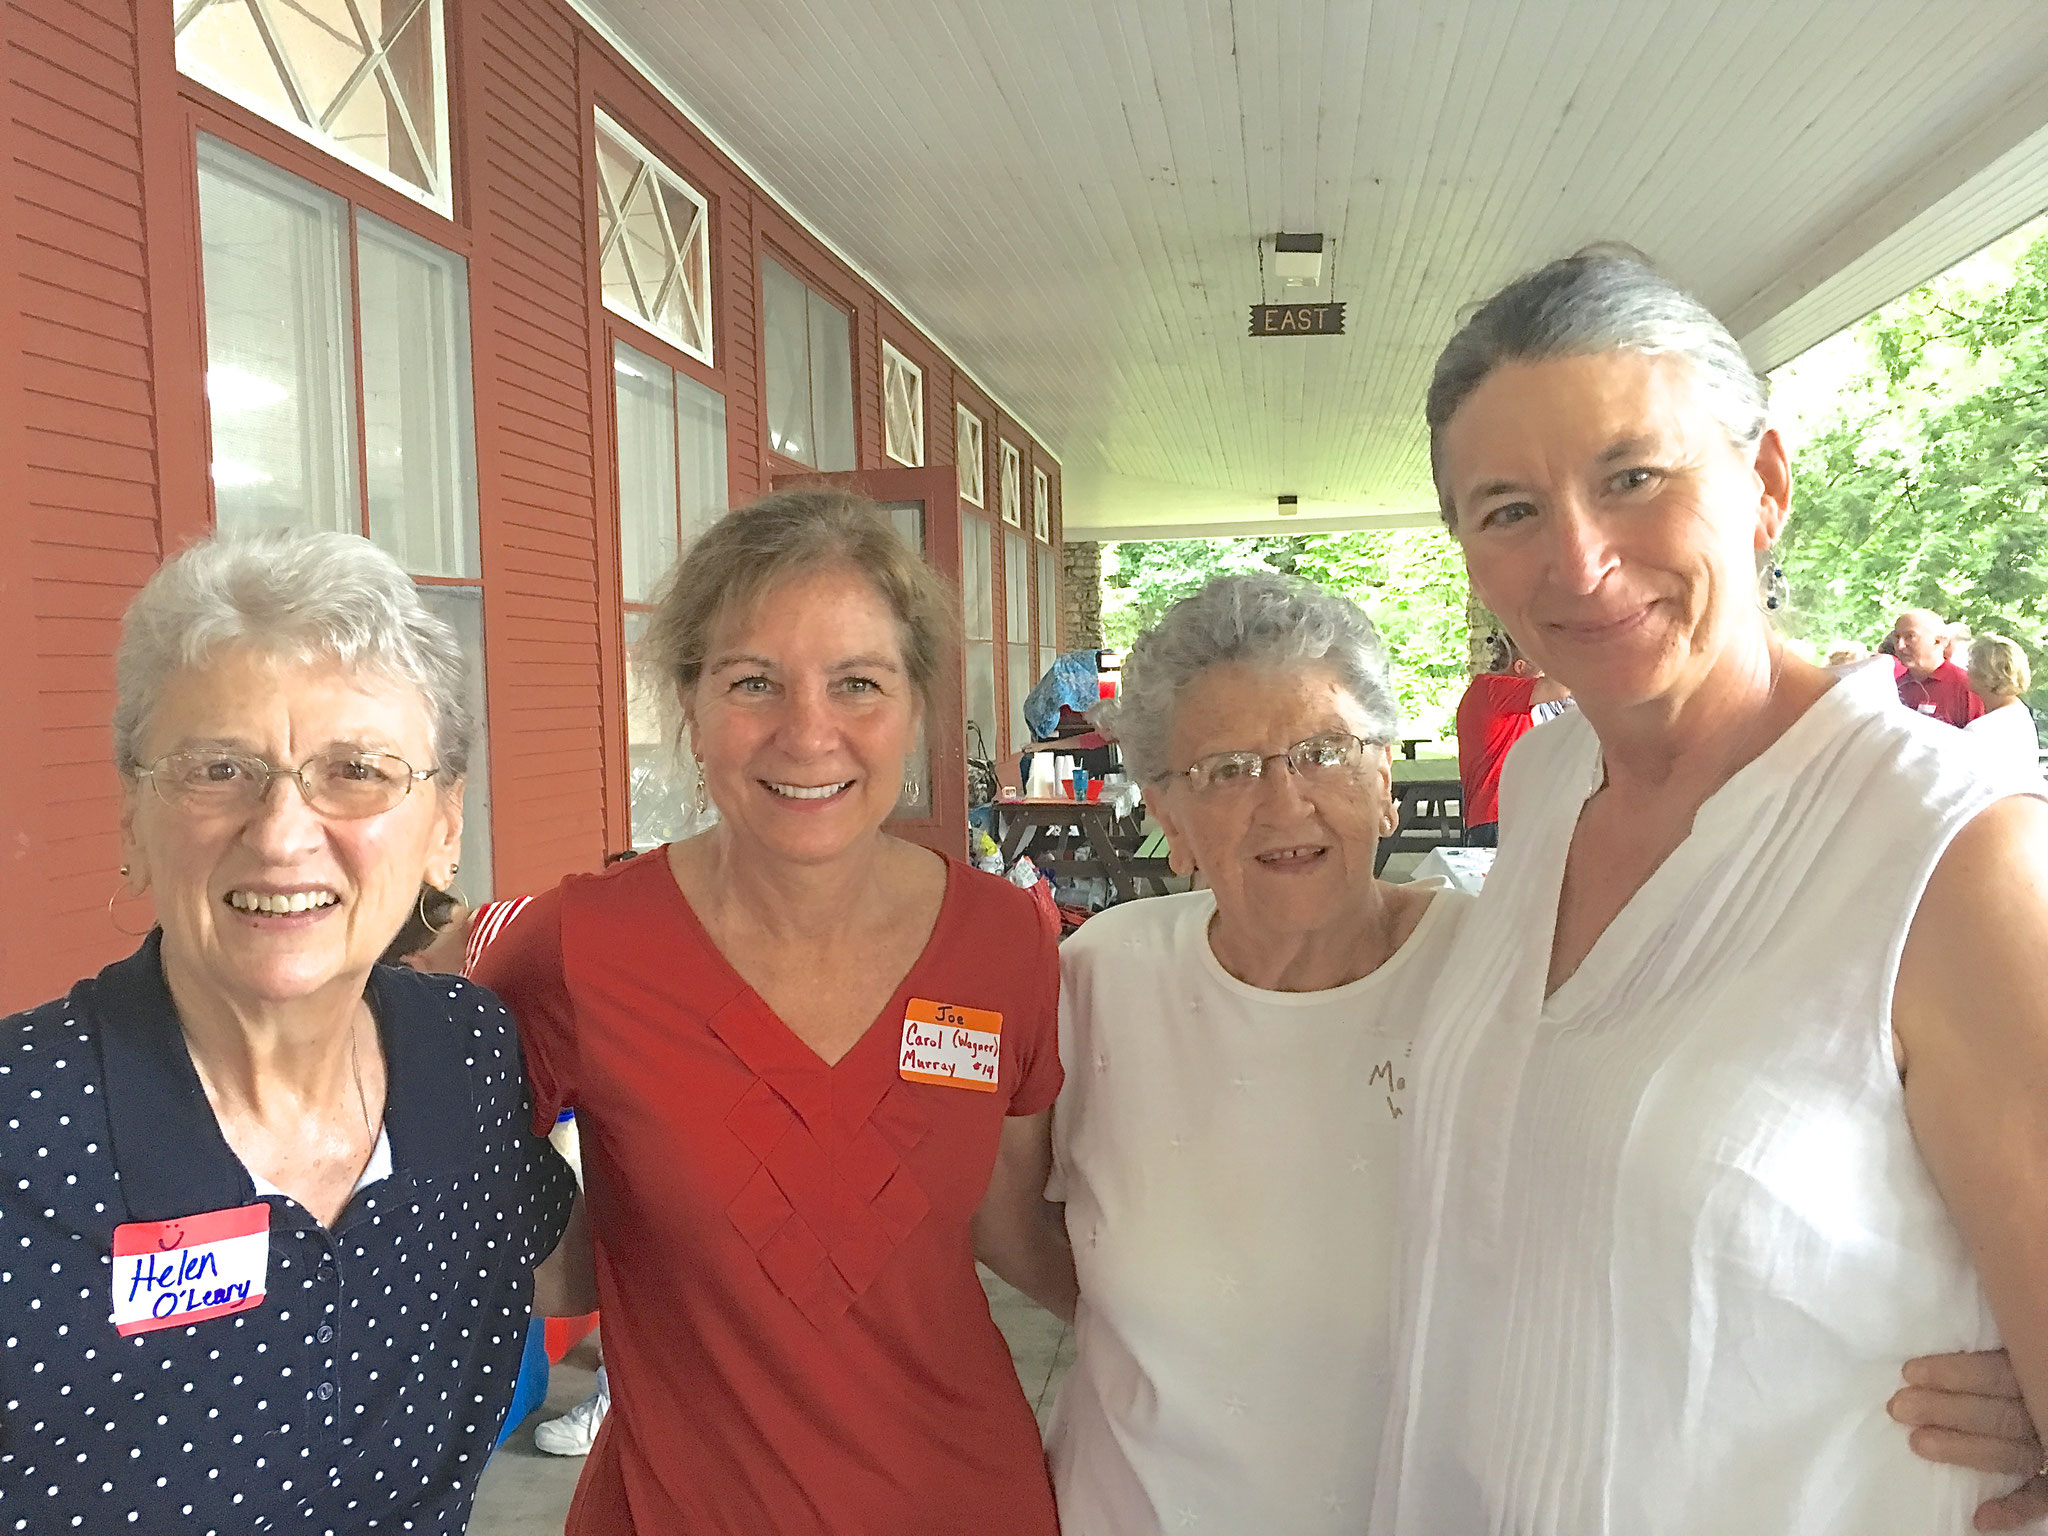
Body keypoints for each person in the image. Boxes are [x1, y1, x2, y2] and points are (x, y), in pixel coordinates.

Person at [1372, 249, 2048, 1536]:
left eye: (1632, 477)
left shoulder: (1947, 855)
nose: (1575, 561)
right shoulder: (1549, 782)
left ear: (1763, 485)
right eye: (1507, 509)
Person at [473, 490, 1071, 1535]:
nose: (808, 733)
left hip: (962, 1497)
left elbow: (1009, 1221)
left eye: (858, 684)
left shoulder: (1002, 942)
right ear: (690, 708)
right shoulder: (579, 947)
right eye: (753, 682)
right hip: (679, 1506)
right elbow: (435, 1194)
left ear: (915, 707)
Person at [0, 531, 578, 1532]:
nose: (279, 833)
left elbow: (587, 1254)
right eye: (218, 768)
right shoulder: (24, 1122)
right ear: (134, 820)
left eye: (354, 769)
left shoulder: (465, 1058)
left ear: (444, 827)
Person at [1045, 572, 1469, 1534]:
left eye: (1324, 753)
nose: (1286, 804)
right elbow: (1004, 1218)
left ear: (1386, 779)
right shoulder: (1100, 979)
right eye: (1226, 770)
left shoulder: (1494, 974)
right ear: (1167, 816)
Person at [1454, 632, 1570, 845]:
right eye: (1541, 671)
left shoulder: (1487, 691)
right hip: (1500, 813)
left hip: (1496, 814)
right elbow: (1560, 688)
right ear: (1520, 668)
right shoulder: (1495, 690)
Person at [1964, 634, 2041, 780]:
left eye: (1971, 663)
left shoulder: (1984, 728)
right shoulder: (2018, 713)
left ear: (1985, 673)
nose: (1967, 669)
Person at [1892, 608, 1986, 726]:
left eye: (1910, 636)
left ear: (1938, 641)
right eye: (1896, 638)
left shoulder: (1967, 686)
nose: (1900, 645)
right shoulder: (1894, 687)